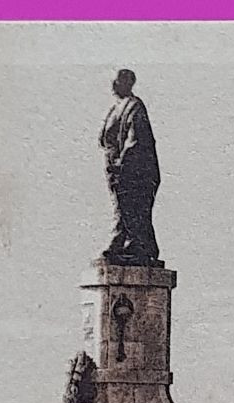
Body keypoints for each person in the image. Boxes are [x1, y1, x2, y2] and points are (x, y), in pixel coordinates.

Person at [99, 69, 162, 263]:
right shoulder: (115, 108)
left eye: (117, 82)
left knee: (133, 209)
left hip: (134, 172)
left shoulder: (135, 107)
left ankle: (133, 245)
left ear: (127, 83)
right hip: (116, 171)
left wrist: (121, 162)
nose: (113, 86)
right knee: (122, 207)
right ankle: (126, 243)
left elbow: (136, 140)